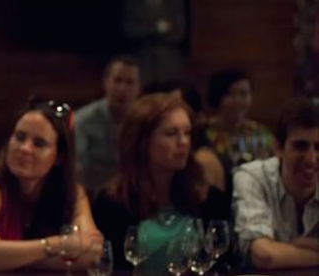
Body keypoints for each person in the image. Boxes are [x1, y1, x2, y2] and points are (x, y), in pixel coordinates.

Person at [91, 93, 230, 272]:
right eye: (171, 133)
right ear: (142, 141)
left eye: (187, 133)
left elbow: (223, 263)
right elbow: (108, 266)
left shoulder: (209, 199)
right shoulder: (110, 204)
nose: (183, 142)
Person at [0, 96, 103, 272]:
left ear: (59, 157)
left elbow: (91, 256)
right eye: (20, 137)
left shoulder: (73, 192)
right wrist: (57, 244)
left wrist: (3, 255)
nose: (24, 149)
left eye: (39, 143)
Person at [233, 97, 319, 270]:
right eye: (300, 146)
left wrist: (287, 250)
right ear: (278, 148)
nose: (311, 159)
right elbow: (264, 256)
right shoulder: (253, 176)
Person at [75, 54, 142, 194]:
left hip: (134, 194)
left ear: (139, 88)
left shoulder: (144, 121)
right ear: (105, 83)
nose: (122, 88)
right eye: (117, 80)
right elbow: (76, 166)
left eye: (129, 82)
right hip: (93, 195)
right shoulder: (83, 120)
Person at [122, 0, 186, 88]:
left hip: (168, 70)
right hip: (142, 69)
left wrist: (146, 30)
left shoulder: (174, 2)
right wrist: (158, 28)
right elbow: (131, 31)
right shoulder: (132, 2)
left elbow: (178, 34)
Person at [203, 69, 275, 175]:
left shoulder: (260, 132)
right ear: (218, 97)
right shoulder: (203, 132)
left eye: (243, 94)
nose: (238, 101)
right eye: (230, 94)